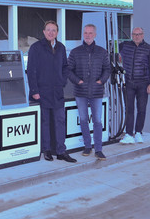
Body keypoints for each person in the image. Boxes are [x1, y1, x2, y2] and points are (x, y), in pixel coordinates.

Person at [27, 20, 77, 163]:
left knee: (60, 121)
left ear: (57, 32)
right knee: (45, 122)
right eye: (48, 30)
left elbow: (65, 67)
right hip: (42, 91)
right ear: (43, 32)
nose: (51, 32)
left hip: (57, 91)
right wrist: (34, 90)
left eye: (53, 30)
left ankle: (61, 151)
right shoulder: (36, 48)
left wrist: (62, 81)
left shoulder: (61, 47)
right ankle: (47, 150)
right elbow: (31, 70)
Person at [67, 24, 110, 160]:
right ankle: (87, 146)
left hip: (97, 92)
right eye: (85, 33)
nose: (88, 35)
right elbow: (68, 70)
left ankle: (98, 149)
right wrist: (78, 81)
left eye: (90, 33)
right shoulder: (75, 52)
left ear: (95, 35)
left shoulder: (102, 52)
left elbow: (107, 69)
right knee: (84, 119)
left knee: (97, 121)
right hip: (80, 92)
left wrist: (101, 81)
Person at [119, 27, 150, 144]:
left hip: (143, 83)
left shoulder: (148, 49)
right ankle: (129, 134)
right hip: (129, 82)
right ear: (131, 35)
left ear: (143, 35)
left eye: (139, 34)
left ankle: (138, 132)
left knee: (142, 109)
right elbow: (114, 50)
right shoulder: (124, 46)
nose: (137, 36)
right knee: (129, 109)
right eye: (134, 34)